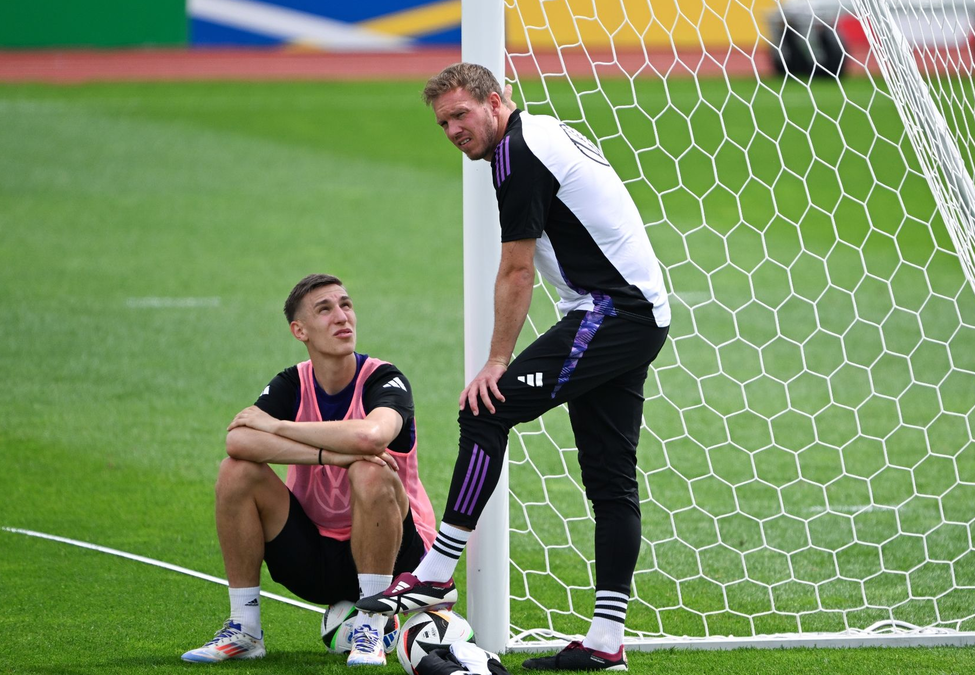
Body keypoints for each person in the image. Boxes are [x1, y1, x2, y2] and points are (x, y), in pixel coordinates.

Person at [357, 63, 670, 672]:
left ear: (496, 102)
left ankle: (435, 572)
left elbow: (517, 270)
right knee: (610, 481)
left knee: (485, 408)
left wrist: (496, 360)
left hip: (613, 312)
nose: (453, 130)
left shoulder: (517, 155)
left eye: (461, 115)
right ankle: (606, 641)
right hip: (632, 314)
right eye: (443, 122)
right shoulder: (540, 133)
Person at [182, 273, 437, 667]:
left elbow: (371, 436)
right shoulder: (292, 383)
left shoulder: (385, 380)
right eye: (325, 309)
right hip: (314, 557)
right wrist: (330, 456)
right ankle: (245, 628)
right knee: (235, 471)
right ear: (299, 330)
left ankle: (372, 623)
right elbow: (238, 441)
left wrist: (279, 427)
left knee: (369, 469)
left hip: (398, 559)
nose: (342, 317)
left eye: (346, 305)